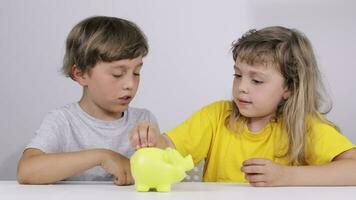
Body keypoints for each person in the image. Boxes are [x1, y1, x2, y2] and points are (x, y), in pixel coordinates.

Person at [130, 26, 356, 186]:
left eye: (256, 80)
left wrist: (287, 177)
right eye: (237, 75)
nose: (242, 88)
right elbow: (167, 148)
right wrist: (150, 140)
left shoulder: (305, 126)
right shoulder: (216, 116)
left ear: (290, 87)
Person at [17, 16, 158, 185]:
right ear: (81, 74)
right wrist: (102, 156)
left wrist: (160, 144)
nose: (130, 84)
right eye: (117, 74)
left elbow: (165, 174)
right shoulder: (63, 121)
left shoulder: (143, 120)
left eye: (136, 72)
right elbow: (26, 171)